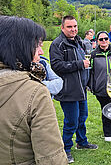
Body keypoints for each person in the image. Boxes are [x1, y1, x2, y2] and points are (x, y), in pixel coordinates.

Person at [0, 16, 67, 164]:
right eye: (37, 45)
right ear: (20, 47)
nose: (41, 52)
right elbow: (52, 159)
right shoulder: (35, 93)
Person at [49, 15, 98, 164]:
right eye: (69, 27)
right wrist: (79, 64)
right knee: (71, 121)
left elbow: (85, 63)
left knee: (82, 118)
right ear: (62, 28)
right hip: (68, 90)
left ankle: (82, 142)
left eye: (75, 26)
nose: (73, 29)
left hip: (81, 89)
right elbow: (57, 66)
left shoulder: (79, 43)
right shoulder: (57, 45)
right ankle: (66, 148)